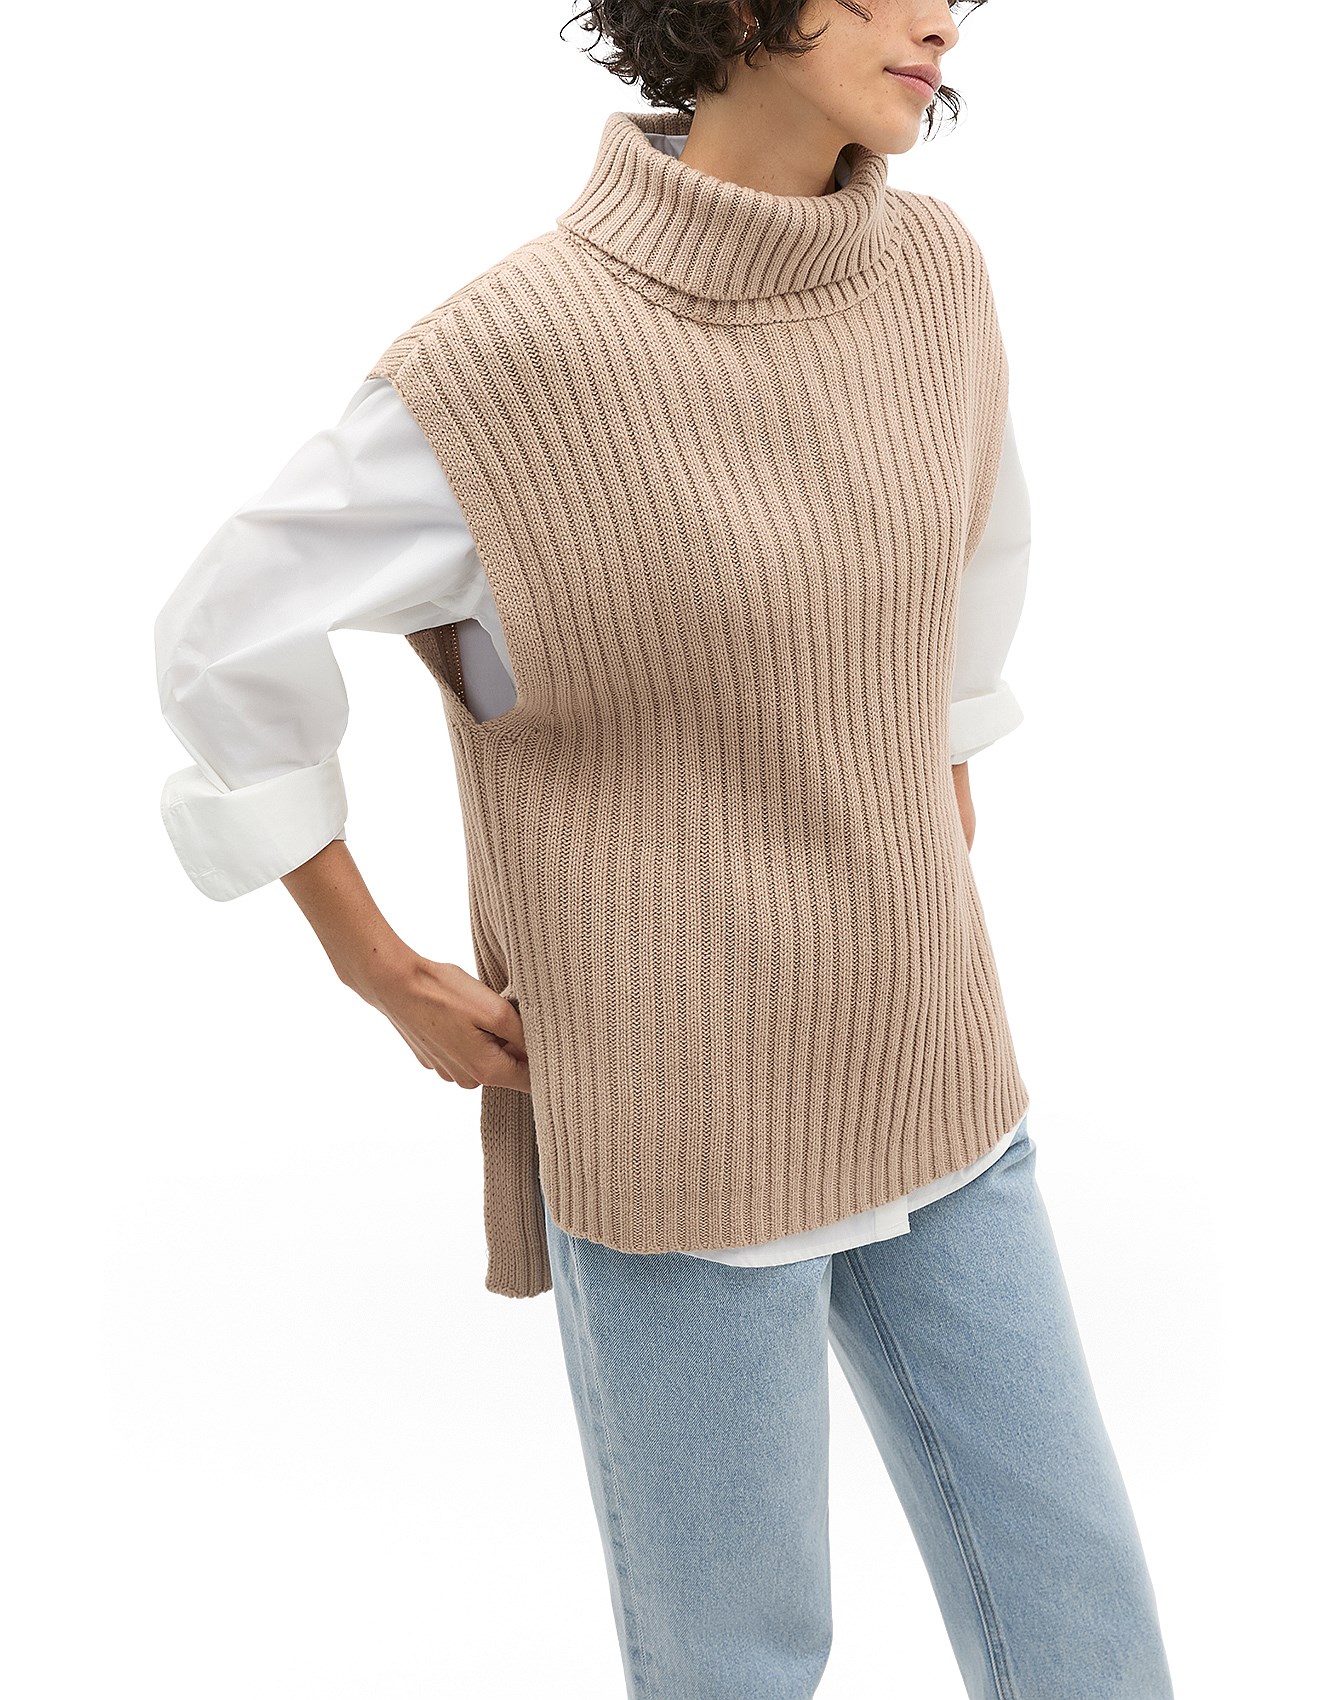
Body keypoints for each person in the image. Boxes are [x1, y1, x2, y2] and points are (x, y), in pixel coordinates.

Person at [154, 3, 1177, 1695]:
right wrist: (377, 966)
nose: (939, 14)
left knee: (1083, 1615)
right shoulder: (508, 360)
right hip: (678, 1105)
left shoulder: (934, 275)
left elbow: (974, 557)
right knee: (738, 1660)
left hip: (927, 1049)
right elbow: (221, 635)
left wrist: (928, 760)